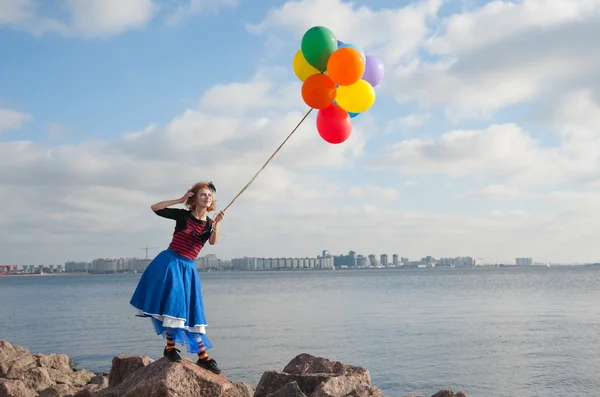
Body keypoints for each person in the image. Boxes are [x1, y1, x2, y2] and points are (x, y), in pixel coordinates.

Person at [130, 181, 224, 374]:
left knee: (192, 311)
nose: (207, 197)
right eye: (203, 195)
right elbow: (155, 208)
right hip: (171, 264)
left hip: (189, 268)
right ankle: (171, 348)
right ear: (194, 198)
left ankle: (202, 356)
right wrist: (180, 200)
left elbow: (213, 242)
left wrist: (217, 224)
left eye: (209, 195)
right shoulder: (183, 215)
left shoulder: (208, 223)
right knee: (173, 306)